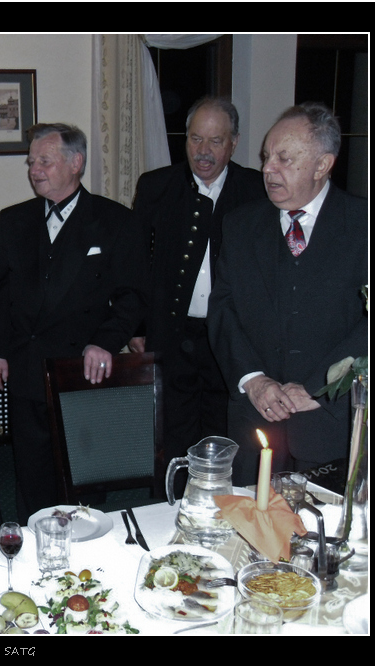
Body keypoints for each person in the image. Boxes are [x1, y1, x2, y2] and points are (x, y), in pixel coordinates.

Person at [0, 123, 148, 524]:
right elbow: (0, 297)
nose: (34, 170)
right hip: (26, 365)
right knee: (30, 472)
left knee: (83, 475)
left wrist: (105, 342)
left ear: (76, 163)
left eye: (44, 161)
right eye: (31, 162)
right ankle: (33, 542)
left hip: (81, 369)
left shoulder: (116, 221)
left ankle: (86, 546)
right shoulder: (13, 220)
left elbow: (132, 296)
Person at [207, 102, 367, 485]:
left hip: (333, 424)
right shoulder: (239, 226)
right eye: (266, 157)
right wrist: (253, 380)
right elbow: (223, 310)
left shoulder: (365, 226)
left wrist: (320, 387)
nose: (267, 169)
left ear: (322, 164)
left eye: (284, 158)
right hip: (254, 421)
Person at [129, 98, 265, 494]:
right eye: (195, 139)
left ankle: (223, 512)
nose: (203, 151)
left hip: (232, 336)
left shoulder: (256, 189)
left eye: (215, 141)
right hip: (172, 333)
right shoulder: (156, 186)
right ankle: (168, 509)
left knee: (225, 432)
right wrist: (137, 327)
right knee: (172, 432)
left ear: (234, 143)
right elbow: (136, 263)